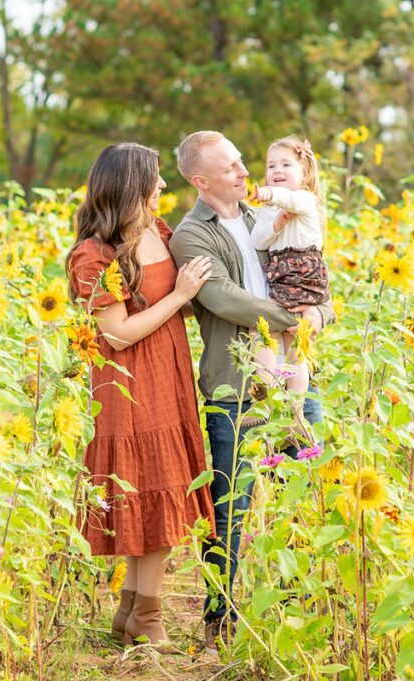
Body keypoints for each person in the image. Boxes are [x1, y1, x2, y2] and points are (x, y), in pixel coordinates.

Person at [167, 131, 337, 653]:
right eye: (233, 167)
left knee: (305, 499)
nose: (246, 173)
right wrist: (296, 317)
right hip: (235, 387)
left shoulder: (268, 220)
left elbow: (315, 283)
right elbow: (223, 299)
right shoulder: (192, 235)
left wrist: (321, 312)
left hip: (291, 376)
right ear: (201, 180)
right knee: (230, 511)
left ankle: (299, 614)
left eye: (246, 163)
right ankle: (220, 622)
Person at [65, 142, 216, 651]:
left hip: (168, 376)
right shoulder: (95, 254)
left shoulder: (160, 232)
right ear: (131, 185)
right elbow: (117, 334)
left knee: (162, 488)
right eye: (155, 178)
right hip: (127, 385)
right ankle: (149, 617)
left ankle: (131, 607)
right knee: (152, 490)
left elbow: (189, 299)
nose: (163, 187)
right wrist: (179, 297)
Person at [248, 135, 330, 405]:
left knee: (297, 340)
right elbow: (258, 240)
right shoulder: (270, 211)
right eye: (271, 166)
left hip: (303, 276)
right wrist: (276, 223)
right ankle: (269, 390)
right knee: (269, 332)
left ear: (305, 173)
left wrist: (267, 194)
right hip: (281, 280)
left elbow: (290, 201)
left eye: (286, 165)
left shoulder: (304, 199)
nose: (277, 171)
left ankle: (296, 403)